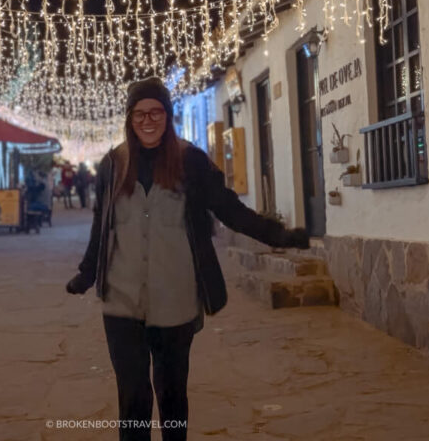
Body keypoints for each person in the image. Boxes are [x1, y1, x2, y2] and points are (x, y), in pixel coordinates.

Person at [65, 77, 309, 441]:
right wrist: (87, 273)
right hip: (121, 302)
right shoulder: (113, 165)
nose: (148, 120)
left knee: (172, 394)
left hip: (175, 302)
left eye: (157, 111)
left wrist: (279, 236)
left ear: (168, 115)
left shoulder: (191, 161)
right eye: (140, 113)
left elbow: (230, 210)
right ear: (130, 118)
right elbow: (102, 226)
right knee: (132, 396)